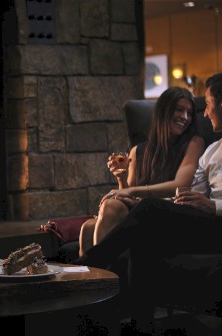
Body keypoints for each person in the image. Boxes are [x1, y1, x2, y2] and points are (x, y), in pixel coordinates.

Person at [75, 73, 222, 334]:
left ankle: (86, 267)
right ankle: (139, 325)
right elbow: (185, 192)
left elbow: (199, 198)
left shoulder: (198, 144)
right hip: (203, 220)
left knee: (149, 210)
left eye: (208, 103)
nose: (205, 112)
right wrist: (139, 202)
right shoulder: (212, 150)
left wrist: (214, 206)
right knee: (146, 233)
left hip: (218, 221)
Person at [78, 86, 205, 257]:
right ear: (163, 111)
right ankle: (92, 281)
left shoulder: (194, 143)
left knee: (112, 207)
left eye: (189, 113)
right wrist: (122, 178)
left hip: (166, 213)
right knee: (87, 227)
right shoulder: (137, 151)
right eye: (179, 110)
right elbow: (127, 196)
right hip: (137, 210)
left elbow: (181, 184)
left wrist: (133, 190)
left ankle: (103, 278)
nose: (185, 117)